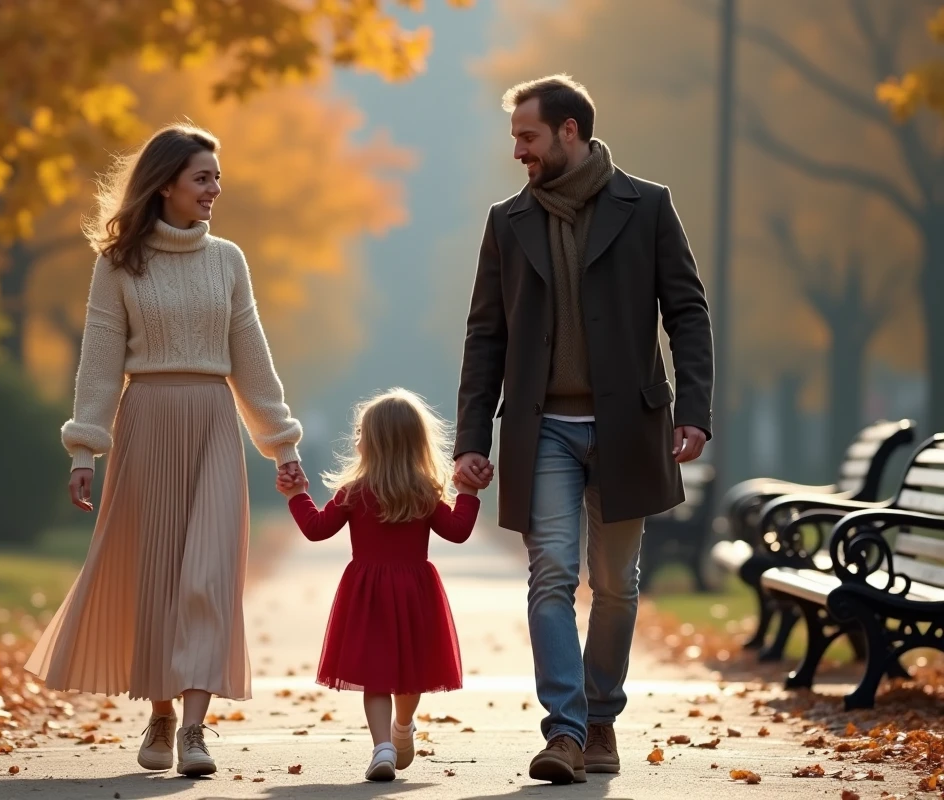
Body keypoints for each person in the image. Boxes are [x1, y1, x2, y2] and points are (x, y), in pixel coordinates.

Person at [453, 74, 714, 784]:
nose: (519, 152)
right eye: (515, 139)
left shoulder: (648, 207)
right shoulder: (508, 222)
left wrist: (693, 409)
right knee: (552, 577)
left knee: (617, 583)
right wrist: (471, 439)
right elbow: (485, 336)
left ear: (569, 132)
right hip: (546, 433)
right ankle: (564, 731)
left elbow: (687, 312)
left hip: (630, 428)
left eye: (528, 137)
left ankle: (602, 718)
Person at [24, 123, 305, 778]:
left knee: (209, 574)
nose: (215, 189)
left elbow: (251, 360)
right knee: (156, 577)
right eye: (203, 177)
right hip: (146, 421)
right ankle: (160, 712)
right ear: (167, 183)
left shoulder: (228, 260)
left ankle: (198, 730)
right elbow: (97, 366)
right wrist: (84, 450)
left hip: (212, 424)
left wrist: (280, 442)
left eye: (217, 177)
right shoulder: (119, 263)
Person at [276, 389, 481, 782]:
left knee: (376, 675)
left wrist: (297, 495)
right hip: (415, 592)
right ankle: (401, 729)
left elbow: (317, 529)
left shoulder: (354, 491)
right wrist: (468, 493)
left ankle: (383, 745)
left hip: (367, 594)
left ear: (369, 441)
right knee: (411, 671)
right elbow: (458, 532)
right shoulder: (424, 491)